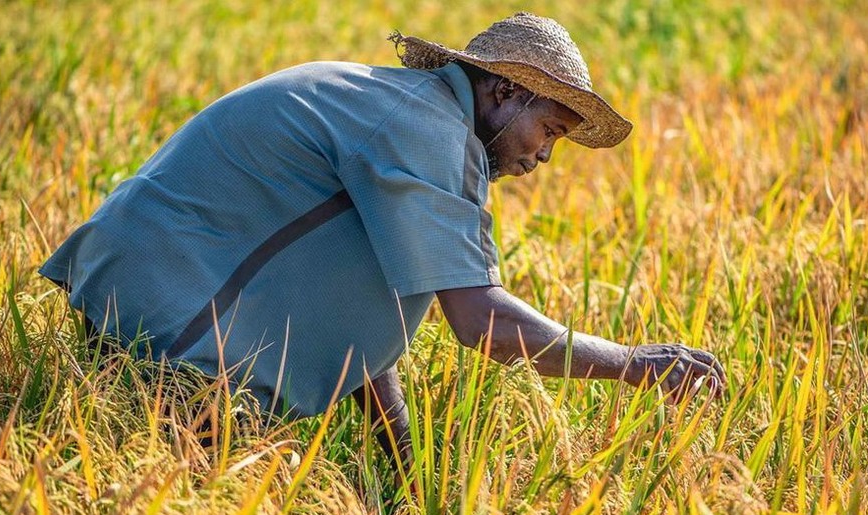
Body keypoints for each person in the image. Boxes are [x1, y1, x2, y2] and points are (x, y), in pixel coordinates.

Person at [40, 12, 726, 461]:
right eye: (548, 129)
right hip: (169, 331)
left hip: (126, 297)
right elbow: (481, 322)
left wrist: (403, 471)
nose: (544, 156)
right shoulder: (428, 131)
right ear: (504, 94)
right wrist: (635, 363)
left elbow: (360, 321)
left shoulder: (404, 111)